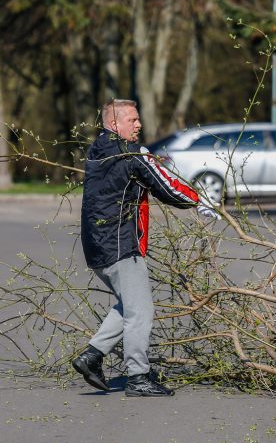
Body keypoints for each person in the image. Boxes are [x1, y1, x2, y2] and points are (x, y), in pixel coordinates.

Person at [72, 99, 219, 397]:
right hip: (120, 244)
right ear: (115, 124)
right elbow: (167, 186)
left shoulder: (97, 151)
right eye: (132, 120)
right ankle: (138, 377)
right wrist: (198, 201)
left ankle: (92, 356)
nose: (139, 125)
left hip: (96, 245)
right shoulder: (131, 154)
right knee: (141, 311)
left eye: (138, 120)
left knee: (129, 306)